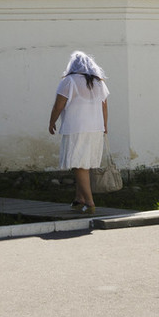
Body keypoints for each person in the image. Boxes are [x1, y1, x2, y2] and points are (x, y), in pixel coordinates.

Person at [48, 51, 109, 215]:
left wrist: (52, 121)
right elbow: (104, 106)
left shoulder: (69, 81)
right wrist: (105, 125)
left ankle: (89, 202)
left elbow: (58, 105)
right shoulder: (98, 83)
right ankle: (79, 199)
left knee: (78, 163)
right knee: (84, 163)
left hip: (77, 128)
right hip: (95, 128)